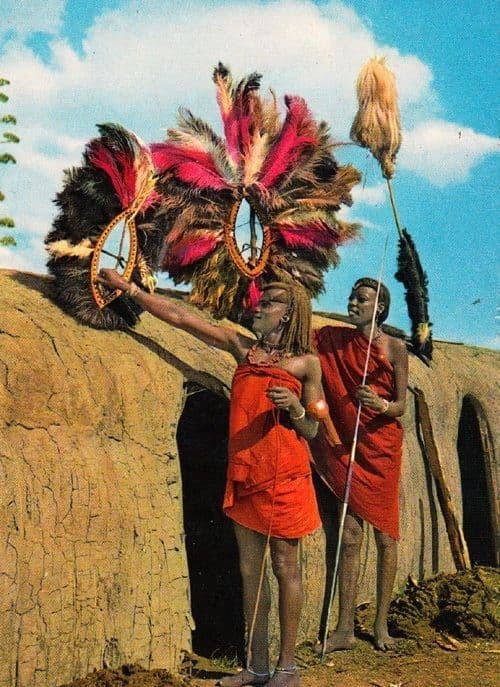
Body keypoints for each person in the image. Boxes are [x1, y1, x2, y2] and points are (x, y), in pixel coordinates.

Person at [96, 269, 324, 687]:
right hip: (246, 474)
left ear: (289, 314)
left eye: (270, 302)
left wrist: (294, 406)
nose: (259, 306)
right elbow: (183, 319)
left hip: (285, 477)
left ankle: (287, 668)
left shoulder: (307, 365)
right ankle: (255, 667)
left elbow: (313, 429)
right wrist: (130, 290)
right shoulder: (243, 348)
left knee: (285, 566)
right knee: (250, 572)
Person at [311, 277, 408, 653]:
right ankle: (344, 629)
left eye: (362, 298)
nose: (353, 302)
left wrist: (379, 404)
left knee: (385, 536)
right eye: (352, 296)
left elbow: (401, 405)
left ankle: (381, 626)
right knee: (350, 535)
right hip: (348, 449)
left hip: (380, 447)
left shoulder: (395, 348)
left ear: (379, 308)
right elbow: (304, 339)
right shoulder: (333, 339)